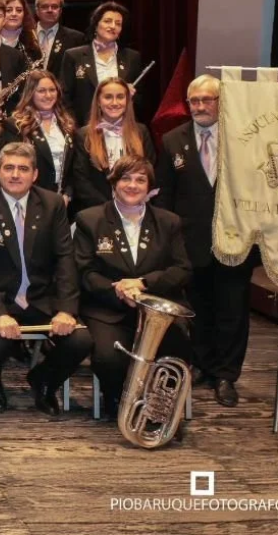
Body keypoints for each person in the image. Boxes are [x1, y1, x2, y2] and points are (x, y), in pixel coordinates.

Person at [0, 142, 92, 416]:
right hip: (0, 299)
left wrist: (66, 310)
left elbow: (65, 258)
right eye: (8, 167)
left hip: (41, 298)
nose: (15, 174)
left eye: (23, 169)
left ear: (34, 174)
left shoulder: (52, 203)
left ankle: (44, 380)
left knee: (80, 341)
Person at [156, 74, 250, 407]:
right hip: (189, 244)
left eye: (206, 100)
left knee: (232, 311)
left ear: (220, 103)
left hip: (235, 242)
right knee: (196, 310)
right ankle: (198, 365)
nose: (199, 107)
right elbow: (164, 196)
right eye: (193, 101)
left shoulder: (244, 139)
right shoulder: (171, 141)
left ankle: (225, 375)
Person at [74, 155, 192, 415]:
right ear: (113, 183)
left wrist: (143, 283)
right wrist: (116, 289)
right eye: (125, 178)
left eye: (141, 180)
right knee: (108, 358)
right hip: (108, 310)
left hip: (159, 309)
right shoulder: (89, 219)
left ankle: (163, 410)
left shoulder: (168, 221)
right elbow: (85, 272)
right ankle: (119, 401)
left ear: (150, 187)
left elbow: (182, 269)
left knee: (176, 347)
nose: (132, 185)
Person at [70, 77, 156, 213]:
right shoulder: (83, 135)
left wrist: (132, 202)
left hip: (135, 209)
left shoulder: (141, 131)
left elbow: (150, 171)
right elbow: (81, 181)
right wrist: (110, 208)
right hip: (97, 211)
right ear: (98, 101)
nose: (114, 103)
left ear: (127, 101)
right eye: (108, 97)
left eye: (120, 97)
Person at [60, 2, 144, 125]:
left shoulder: (132, 57)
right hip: (85, 127)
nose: (113, 26)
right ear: (95, 25)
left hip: (122, 127)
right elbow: (64, 98)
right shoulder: (74, 56)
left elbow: (141, 100)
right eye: (107, 21)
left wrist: (131, 95)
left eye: (118, 24)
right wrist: (75, 127)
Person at [8, 70, 76, 196]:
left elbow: (73, 167)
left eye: (52, 90)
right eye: (41, 91)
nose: (48, 95)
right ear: (31, 93)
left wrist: (67, 194)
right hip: (30, 197)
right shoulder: (16, 125)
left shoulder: (67, 123)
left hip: (64, 200)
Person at [33, 0, 84, 77]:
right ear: (37, 10)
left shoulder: (76, 38)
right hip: (29, 89)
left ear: (60, 11)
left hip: (61, 89)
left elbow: (79, 71)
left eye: (54, 7)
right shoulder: (25, 36)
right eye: (44, 7)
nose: (50, 10)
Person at [1, 0, 44, 64]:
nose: (14, 14)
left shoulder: (32, 46)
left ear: (24, 14)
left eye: (19, 10)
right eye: (8, 10)